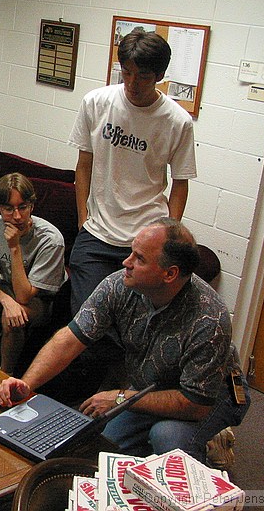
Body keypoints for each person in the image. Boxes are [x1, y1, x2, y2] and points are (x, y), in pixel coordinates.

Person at [0, 219, 249, 463]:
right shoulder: (119, 285)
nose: (126, 262)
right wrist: (26, 384)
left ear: (169, 274)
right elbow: (70, 339)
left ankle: (207, 455)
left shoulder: (209, 318)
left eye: (139, 258)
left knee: (167, 436)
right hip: (150, 389)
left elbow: (195, 404)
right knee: (101, 447)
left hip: (212, 397)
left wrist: (121, 398)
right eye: (131, 252)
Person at [67, 31, 196, 317]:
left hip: (146, 239)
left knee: (131, 326)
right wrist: (82, 220)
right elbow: (83, 165)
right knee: (85, 320)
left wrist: (167, 235)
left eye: (143, 77)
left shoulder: (177, 121)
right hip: (96, 234)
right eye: (126, 73)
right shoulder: (95, 102)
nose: (132, 84)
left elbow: (180, 183)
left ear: (160, 75)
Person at [0, 173, 66, 373]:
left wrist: (14, 248)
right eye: (8, 209)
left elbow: (24, 296)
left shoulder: (51, 240)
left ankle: (4, 374)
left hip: (41, 300)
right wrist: (6, 301)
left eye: (22, 207)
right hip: (8, 288)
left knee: (15, 316)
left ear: (31, 206)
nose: (17, 216)